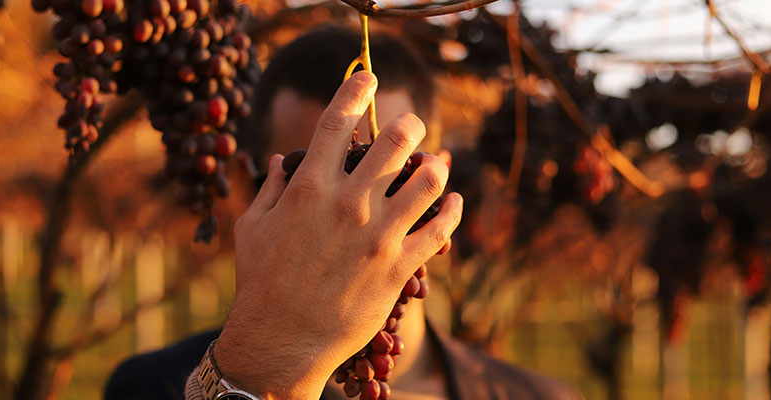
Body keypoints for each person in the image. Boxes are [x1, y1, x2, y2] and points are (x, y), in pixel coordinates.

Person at [105, 27, 582, 400]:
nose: (350, 211)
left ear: (436, 185)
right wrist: (256, 376)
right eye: (306, 185)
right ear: (248, 189)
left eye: (389, 175)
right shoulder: (158, 387)